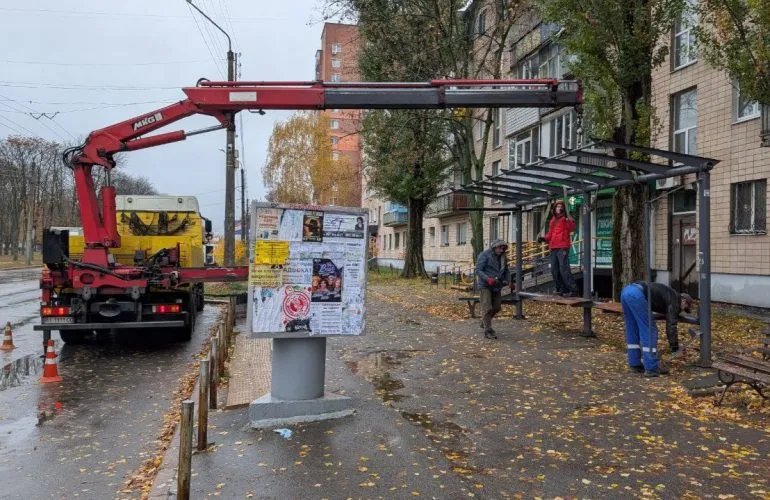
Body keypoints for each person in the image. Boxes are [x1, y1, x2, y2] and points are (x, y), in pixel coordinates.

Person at [620, 281, 694, 377]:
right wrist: (675, 348)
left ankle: (634, 364)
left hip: (627, 291)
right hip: (637, 294)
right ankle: (651, 368)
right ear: (683, 301)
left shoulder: (669, 293)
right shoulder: (676, 300)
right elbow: (671, 326)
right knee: (650, 330)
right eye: (684, 308)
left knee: (632, 328)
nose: (681, 311)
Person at [539, 200, 578, 297]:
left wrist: (568, 218)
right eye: (557, 207)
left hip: (562, 247)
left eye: (560, 207)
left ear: (563, 208)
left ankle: (573, 290)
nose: (558, 208)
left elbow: (572, 228)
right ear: (554, 208)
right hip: (553, 247)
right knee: (554, 270)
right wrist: (544, 238)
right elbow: (550, 234)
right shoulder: (553, 220)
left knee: (564, 269)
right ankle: (561, 289)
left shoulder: (566, 219)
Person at [476, 239, 511, 340]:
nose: (501, 250)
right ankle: (488, 330)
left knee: (497, 307)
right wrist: (487, 279)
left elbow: (506, 270)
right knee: (487, 308)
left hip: (497, 285)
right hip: (485, 285)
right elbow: (478, 270)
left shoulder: (503, 257)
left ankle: (484, 322)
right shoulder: (484, 255)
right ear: (495, 247)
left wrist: (509, 281)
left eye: (503, 248)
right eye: (500, 248)